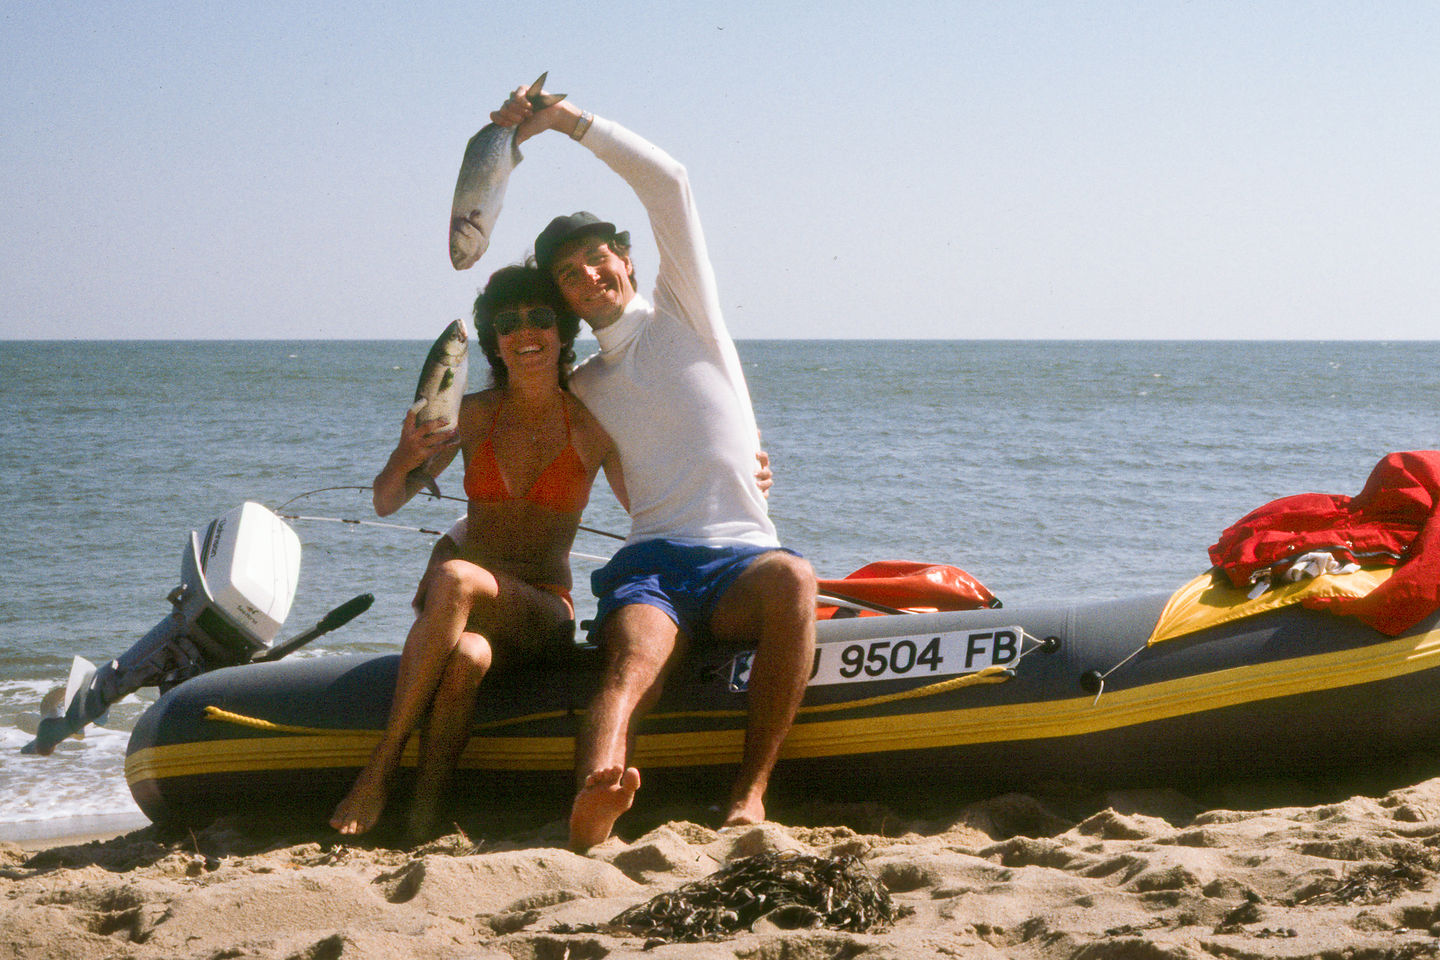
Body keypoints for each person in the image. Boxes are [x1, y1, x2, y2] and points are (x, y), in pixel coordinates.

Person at [491, 84, 818, 851]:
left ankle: (749, 794)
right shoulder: (582, 384)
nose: (589, 276)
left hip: (742, 558)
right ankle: (593, 801)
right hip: (654, 565)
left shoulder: (683, 309)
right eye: (569, 273)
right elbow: (511, 424)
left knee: (796, 581)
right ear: (565, 298)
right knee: (633, 660)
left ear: (626, 260)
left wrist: (565, 121)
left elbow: (668, 180)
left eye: (598, 259)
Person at [329, 264, 624, 839]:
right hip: (467, 606)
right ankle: (423, 817)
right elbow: (387, 500)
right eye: (508, 323)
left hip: (541, 610)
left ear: (563, 332)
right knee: (465, 660)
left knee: (458, 576)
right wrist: (402, 453)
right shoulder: (473, 414)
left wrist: (747, 474)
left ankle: (378, 769)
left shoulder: (592, 428)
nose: (525, 331)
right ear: (494, 341)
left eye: (540, 317)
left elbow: (656, 500)